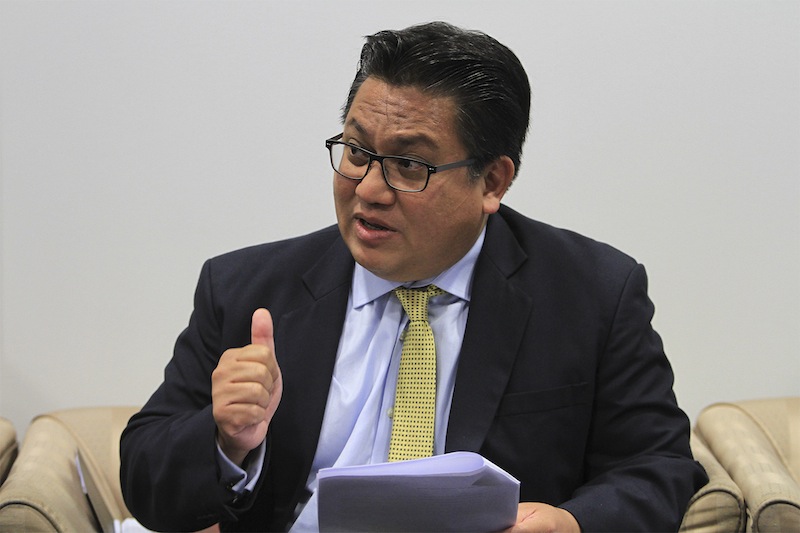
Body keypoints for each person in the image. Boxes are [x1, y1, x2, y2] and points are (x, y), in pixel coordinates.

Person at [120, 21, 707, 532]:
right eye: (356, 152)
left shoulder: (593, 294)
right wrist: (225, 440)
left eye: (409, 164)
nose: (369, 189)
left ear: (492, 182)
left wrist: (572, 523)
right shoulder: (246, 290)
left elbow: (658, 468)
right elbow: (144, 479)